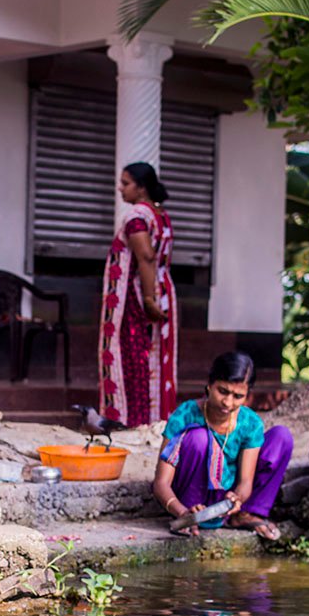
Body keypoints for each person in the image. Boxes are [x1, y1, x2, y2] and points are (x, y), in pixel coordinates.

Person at [153, 352, 293, 540]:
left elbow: (245, 482)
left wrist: (237, 498)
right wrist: (182, 513)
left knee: (281, 437)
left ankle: (244, 515)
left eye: (238, 396)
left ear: (247, 395)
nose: (228, 402)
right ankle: (194, 519)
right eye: (223, 391)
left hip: (224, 499)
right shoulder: (185, 414)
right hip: (189, 500)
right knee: (198, 438)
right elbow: (161, 483)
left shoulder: (250, 423)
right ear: (210, 385)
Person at [98, 162, 178, 426]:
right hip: (162, 288)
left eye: (126, 183)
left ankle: (129, 420)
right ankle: (154, 420)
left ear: (141, 188)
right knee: (152, 358)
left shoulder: (136, 216)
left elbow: (145, 256)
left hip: (135, 298)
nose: (120, 188)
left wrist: (147, 299)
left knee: (133, 358)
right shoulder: (160, 214)